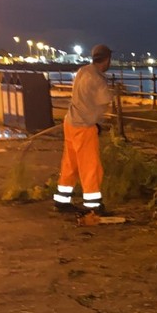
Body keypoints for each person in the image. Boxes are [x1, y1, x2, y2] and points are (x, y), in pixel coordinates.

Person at [53, 44, 113, 214]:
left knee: (70, 163)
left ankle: (62, 200)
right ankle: (92, 205)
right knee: (90, 166)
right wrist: (98, 122)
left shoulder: (82, 71)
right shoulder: (98, 79)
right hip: (84, 126)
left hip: (70, 122)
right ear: (107, 60)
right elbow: (104, 103)